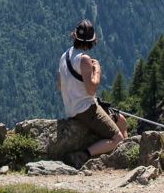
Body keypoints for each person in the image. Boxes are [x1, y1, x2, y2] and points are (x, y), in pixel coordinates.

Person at [52, 20, 128, 160]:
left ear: (74, 36)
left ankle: (125, 156)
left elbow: (59, 85)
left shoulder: (65, 55)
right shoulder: (84, 59)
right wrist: (97, 69)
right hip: (86, 109)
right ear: (92, 41)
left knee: (121, 120)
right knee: (118, 139)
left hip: (72, 108)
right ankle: (83, 155)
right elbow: (91, 90)